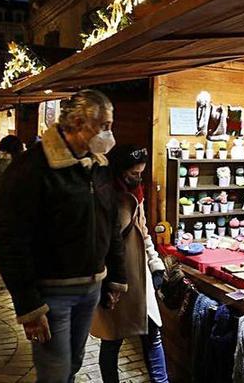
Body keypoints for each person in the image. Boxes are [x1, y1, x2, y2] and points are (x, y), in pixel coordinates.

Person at [0, 89, 127, 383]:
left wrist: (116, 275)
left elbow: (111, 223)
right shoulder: (30, 168)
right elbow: (9, 240)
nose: (109, 134)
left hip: (90, 288)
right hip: (52, 293)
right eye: (104, 125)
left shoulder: (98, 166)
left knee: (73, 364)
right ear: (78, 123)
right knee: (54, 370)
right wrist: (28, 306)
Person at [92, 145, 168, 383]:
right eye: (134, 173)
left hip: (140, 276)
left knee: (153, 334)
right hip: (114, 278)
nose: (138, 178)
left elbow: (143, 231)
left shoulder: (137, 193)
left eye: (141, 173)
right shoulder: (103, 195)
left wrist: (155, 263)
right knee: (112, 339)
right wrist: (103, 282)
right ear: (119, 170)